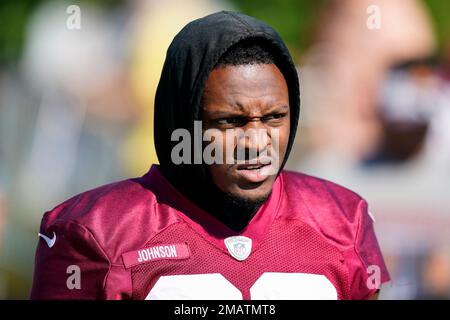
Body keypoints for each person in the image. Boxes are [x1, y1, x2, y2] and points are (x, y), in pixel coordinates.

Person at [30, 11, 389, 300]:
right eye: (231, 121)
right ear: (183, 121)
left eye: (274, 117)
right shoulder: (93, 232)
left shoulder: (342, 220)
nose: (256, 141)